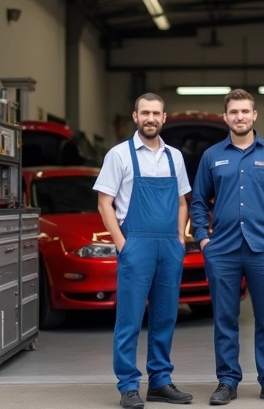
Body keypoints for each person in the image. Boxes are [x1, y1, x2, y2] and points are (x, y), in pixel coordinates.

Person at [190, 88, 264, 406]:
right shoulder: (212, 156)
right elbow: (198, 200)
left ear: (254, 115)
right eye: (234, 112)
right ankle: (227, 381)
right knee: (225, 317)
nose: (239, 116)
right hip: (221, 249)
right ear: (226, 117)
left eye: (245, 111)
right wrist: (203, 238)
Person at [94, 93, 194, 408]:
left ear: (164, 118)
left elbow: (181, 201)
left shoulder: (174, 156)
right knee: (130, 318)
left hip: (169, 245)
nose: (151, 118)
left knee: (165, 316)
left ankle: (160, 381)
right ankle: (128, 386)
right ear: (135, 117)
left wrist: (180, 237)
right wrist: (123, 244)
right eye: (145, 113)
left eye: (156, 113)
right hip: (136, 242)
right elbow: (104, 203)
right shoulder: (119, 155)